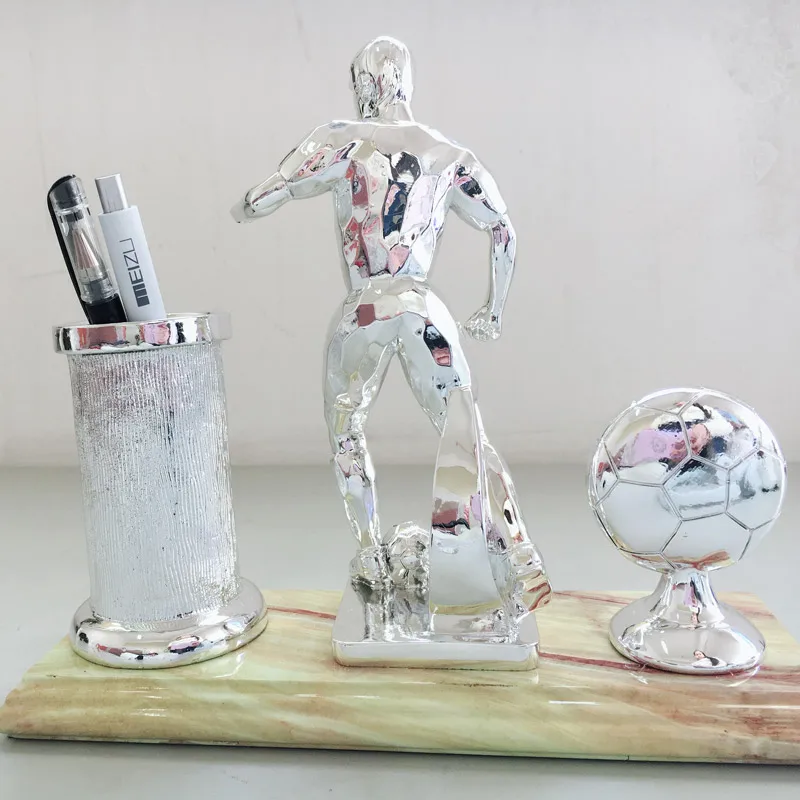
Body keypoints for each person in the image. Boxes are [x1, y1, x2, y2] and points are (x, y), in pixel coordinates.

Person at [233, 37, 548, 610]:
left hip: (366, 307)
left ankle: (371, 552)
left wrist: (245, 204)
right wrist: (493, 309)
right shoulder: (449, 155)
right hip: (423, 306)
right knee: (467, 432)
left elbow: (270, 192)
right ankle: (518, 542)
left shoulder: (341, 139)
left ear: (363, 85)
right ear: (407, 83)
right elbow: (503, 229)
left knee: (346, 429)